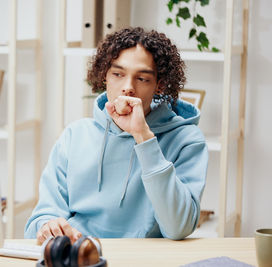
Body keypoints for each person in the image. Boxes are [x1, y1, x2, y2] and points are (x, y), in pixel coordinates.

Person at [25, 27, 208, 244]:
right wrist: (48, 226)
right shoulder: (75, 135)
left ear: (159, 85)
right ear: (104, 76)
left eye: (142, 78)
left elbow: (179, 227)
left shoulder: (186, 139)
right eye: (118, 74)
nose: (127, 88)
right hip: (80, 255)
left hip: (144, 259)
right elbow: (40, 220)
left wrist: (144, 138)